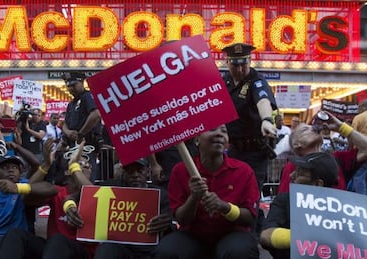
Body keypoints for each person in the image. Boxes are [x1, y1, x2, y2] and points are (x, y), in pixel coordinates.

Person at [152, 125, 260, 259]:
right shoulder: (180, 171)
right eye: (213, 129)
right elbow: (181, 219)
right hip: (192, 235)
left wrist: (225, 207)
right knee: (166, 252)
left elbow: (250, 218)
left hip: (232, 234)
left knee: (240, 251)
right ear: (197, 139)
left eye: (224, 131)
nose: (220, 134)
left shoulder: (244, 171)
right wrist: (194, 197)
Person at [0, 139, 96, 259]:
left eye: (88, 166)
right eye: (81, 164)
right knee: (16, 234)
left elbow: (92, 193)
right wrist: (45, 166)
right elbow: (26, 198)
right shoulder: (59, 191)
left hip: (81, 251)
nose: (85, 168)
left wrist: (74, 166)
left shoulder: (98, 193)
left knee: (59, 240)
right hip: (53, 249)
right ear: (68, 172)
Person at [260, 151, 339, 258]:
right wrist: (306, 239)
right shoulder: (284, 200)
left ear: (318, 184)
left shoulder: (343, 209)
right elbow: (265, 236)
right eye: (295, 171)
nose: (291, 175)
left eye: (300, 174)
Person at [221, 42, 277, 191]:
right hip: (233, 149)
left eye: (243, 65)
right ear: (227, 62)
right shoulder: (224, 81)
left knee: (250, 191)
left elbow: (263, 100)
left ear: (250, 61)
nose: (239, 69)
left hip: (255, 151)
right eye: (235, 65)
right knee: (229, 189)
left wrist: (266, 120)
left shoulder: (256, 80)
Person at [93, 158, 172, 259]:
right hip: (120, 248)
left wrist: (166, 223)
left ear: (148, 172)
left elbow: (172, 222)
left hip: (150, 250)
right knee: (105, 249)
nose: (135, 175)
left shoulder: (161, 195)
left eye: (139, 171)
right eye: (130, 171)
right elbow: (85, 192)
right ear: (123, 172)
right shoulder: (113, 187)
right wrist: (69, 204)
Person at [278, 111, 367, 193]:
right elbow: (285, 199)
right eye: (305, 130)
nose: (312, 128)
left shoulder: (337, 159)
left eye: (310, 126)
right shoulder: (292, 166)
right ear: (296, 144)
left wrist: (341, 127)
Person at [61, 72, 102, 181]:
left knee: (86, 177)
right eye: (68, 86)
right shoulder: (71, 104)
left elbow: (96, 115)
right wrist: (68, 132)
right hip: (73, 147)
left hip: (87, 147)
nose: (71, 89)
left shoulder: (87, 96)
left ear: (82, 82)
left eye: (73, 85)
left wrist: (81, 134)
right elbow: (64, 124)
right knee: (72, 179)